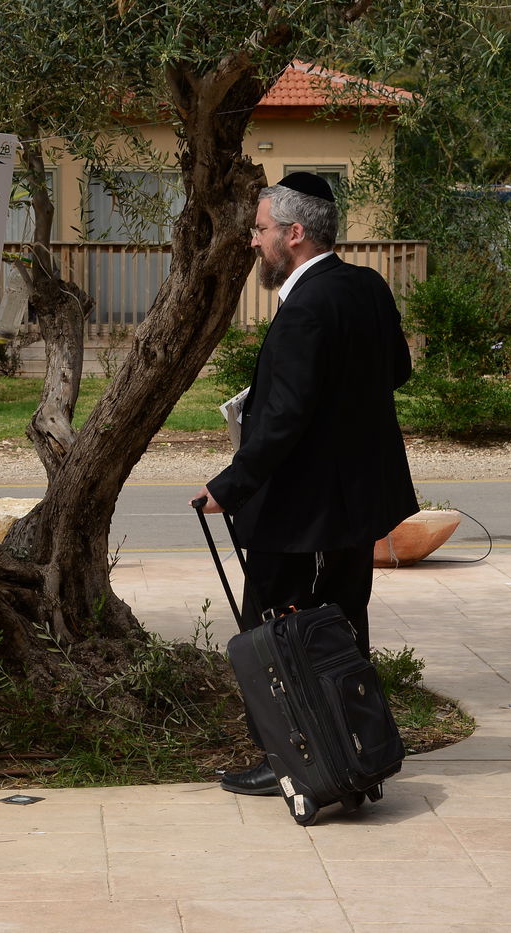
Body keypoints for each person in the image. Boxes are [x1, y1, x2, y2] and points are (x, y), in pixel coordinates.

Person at [192, 172, 417, 795]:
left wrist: (230, 485)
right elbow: (394, 368)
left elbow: (287, 416)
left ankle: (288, 757)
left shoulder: (305, 307)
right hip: (354, 499)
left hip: (299, 508)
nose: (253, 243)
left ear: (294, 234)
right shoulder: (365, 285)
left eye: (261, 230)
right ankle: (353, 746)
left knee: (272, 625)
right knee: (344, 623)